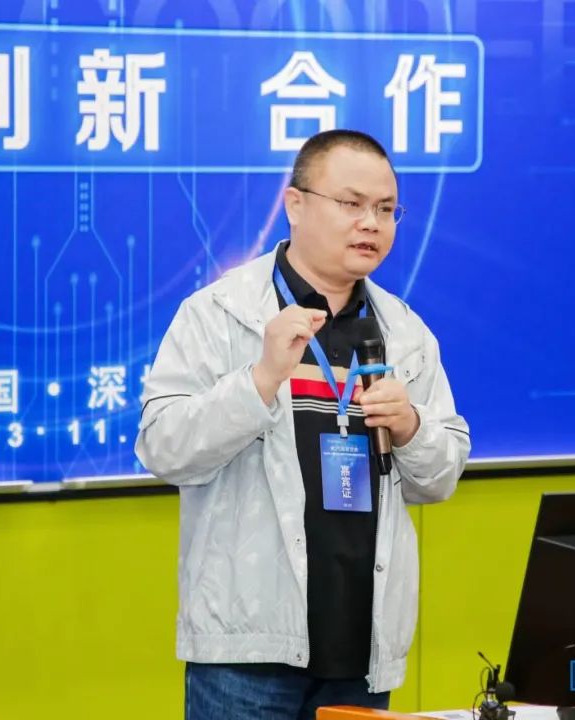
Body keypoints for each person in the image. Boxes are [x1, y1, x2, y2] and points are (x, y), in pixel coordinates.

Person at [135, 129, 470, 720]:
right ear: (295, 205)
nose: (370, 223)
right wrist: (260, 379)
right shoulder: (220, 314)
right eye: (351, 204)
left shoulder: (404, 332)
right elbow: (162, 446)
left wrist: (412, 427)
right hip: (248, 648)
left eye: (386, 209)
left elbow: (439, 478)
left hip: (362, 647)